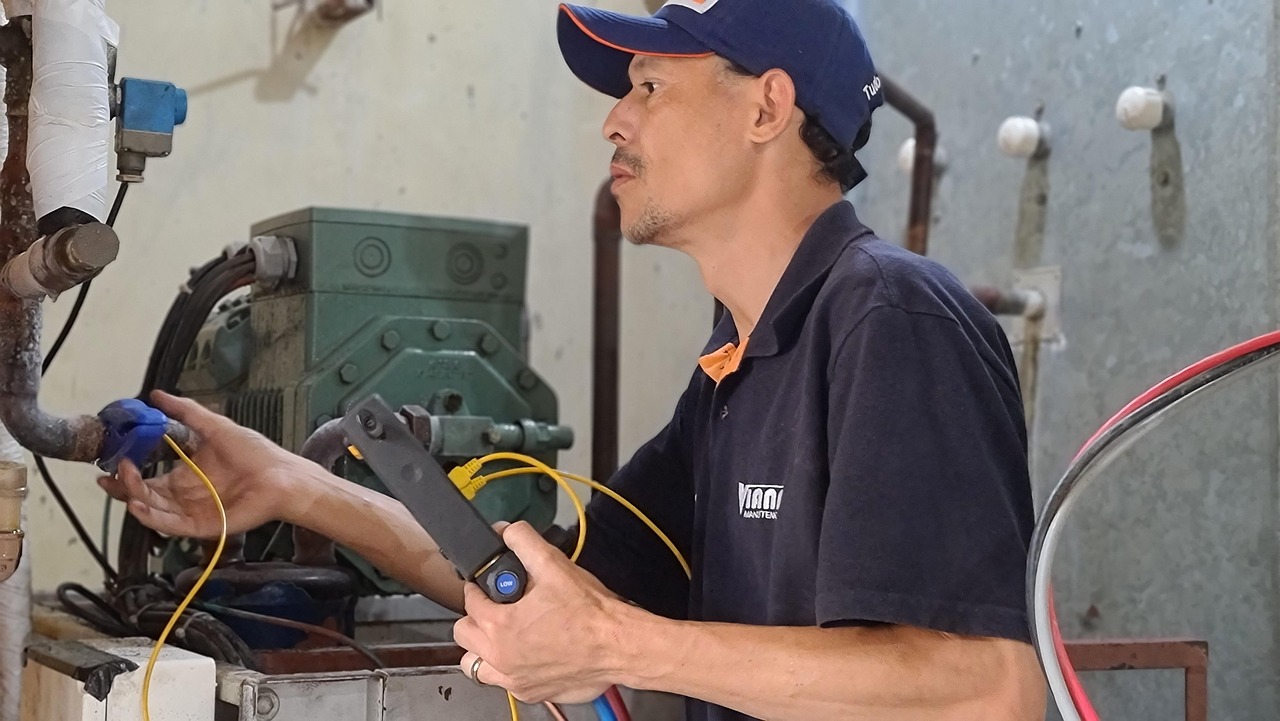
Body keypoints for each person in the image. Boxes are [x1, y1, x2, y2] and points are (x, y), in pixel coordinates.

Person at [101, 1, 1048, 719]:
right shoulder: (735, 368)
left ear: (767, 107)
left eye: (649, 87)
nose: (613, 123)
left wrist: (620, 643)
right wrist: (298, 486)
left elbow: (991, 684)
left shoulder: (888, 313)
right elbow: (565, 581)